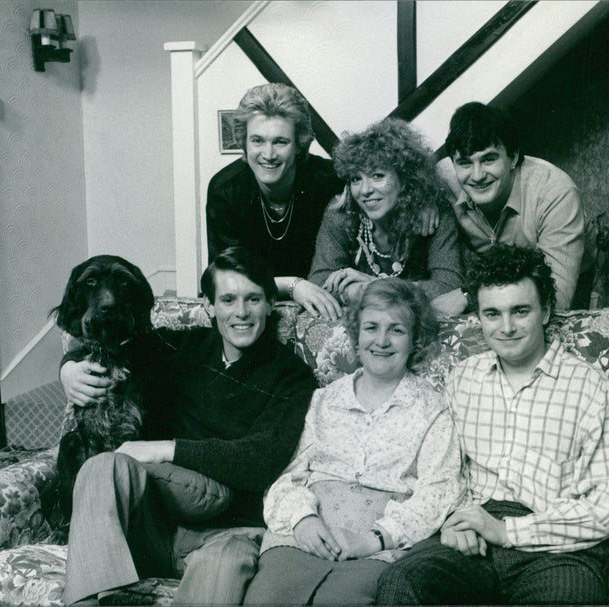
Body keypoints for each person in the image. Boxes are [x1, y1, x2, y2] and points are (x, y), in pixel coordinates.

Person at [59, 246, 317, 606]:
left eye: (253, 299)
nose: (240, 313)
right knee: (102, 467)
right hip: (157, 529)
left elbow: (262, 459)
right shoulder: (186, 347)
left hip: (229, 534)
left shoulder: (291, 375)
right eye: (227, 299)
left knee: (221, 562)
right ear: (210, 307)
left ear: (270, 303)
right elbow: (114, 341)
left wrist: (165, 448)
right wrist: (68, 368)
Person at [376, 244, 609, 605]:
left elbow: (606, 508)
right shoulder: (463, 378)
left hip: (556, 547)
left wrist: (507, 531)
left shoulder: (590, 389)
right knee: (403, 582)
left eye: (520, 311)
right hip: (471, 535)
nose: (506, 327)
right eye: (492, 314)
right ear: (478, 317)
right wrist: (454, 520)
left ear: (546, 312)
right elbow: (440, 469)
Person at [243, 278, 463, 605]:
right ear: (356, 333)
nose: (382, 341)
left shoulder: (433, 409)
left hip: (378, 545)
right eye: (371, 327)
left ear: (415, 338)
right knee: (266, 600)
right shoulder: (322, 401)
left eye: (397, 330)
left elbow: (440, 490)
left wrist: (377, 538)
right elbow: (285, 474)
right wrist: (301, 518)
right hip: (304, 533)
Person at [207, 84, 439, 320]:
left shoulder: (329, 179)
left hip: (319, 306)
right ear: (243, 143)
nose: (268, 154)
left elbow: (391, 176)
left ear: (298, 145)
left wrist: (423, 199)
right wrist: (293, 285)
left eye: (280, 142)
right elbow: (225, 277)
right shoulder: (225, 189)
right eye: (257, 140)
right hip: (252, 305)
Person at [435, 103, 591, 311]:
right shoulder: (445, 177)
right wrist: (423, 203)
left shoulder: (555, 192)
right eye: (464, 163)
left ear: (514, 157)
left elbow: (554, 298)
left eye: (489, 159)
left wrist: (469, 293)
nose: (477, 175)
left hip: (563, 268)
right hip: (494, 279)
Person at [308, 118, 463, 315]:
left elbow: (449, 286)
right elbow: (319, 281)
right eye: (356, 179)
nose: (365, 190)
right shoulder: (341, 214)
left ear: (405, 178)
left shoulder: (434, 215)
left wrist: (377, 286)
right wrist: (363, 290)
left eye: (377, 176)